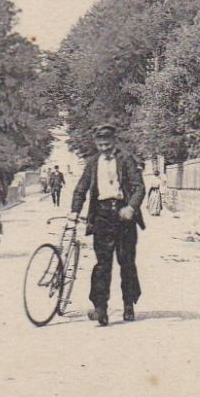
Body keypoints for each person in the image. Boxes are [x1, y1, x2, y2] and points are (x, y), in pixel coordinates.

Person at [69, 123, 146, 326]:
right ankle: (100, 308)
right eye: (100, 144)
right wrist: (74, 212)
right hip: (101, 215)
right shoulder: (93, 163)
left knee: (126, 261)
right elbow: (81, 188)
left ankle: (128, 304)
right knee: (102, 264)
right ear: (96, 144)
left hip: (123, 215)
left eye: (107, 143)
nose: (104, 148)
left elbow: (139, 187)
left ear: (114, 141)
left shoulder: (126, 159)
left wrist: (131, 207)